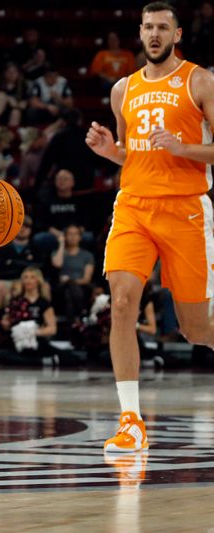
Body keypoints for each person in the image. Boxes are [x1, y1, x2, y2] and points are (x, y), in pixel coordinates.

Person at [86, 1, 214, 453]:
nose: (155, 34)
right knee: (121, 303)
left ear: (177, 34)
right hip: (134, 207)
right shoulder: (123, 89)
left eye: (163, 28)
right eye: (148, 28)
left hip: (186, 210)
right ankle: (130, 421)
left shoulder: (200, 80)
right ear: (139, 33)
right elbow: (134, 152)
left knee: (196, 330)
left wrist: (183, 148)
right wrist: (110, 152)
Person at [51, 224, 95, 322]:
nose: (73, 237)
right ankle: (81, 314)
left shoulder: (87, 255)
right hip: (61, 289)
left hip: (81, 289)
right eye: (70, 234)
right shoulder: (58, 252)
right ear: (65, 236)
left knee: (70, 292)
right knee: (68, 289)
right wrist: (62, 244)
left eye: (76, 234)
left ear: (80, 237)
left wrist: (71, 280)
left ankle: (72, 324)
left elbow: (86, 279)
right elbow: (57, 264)